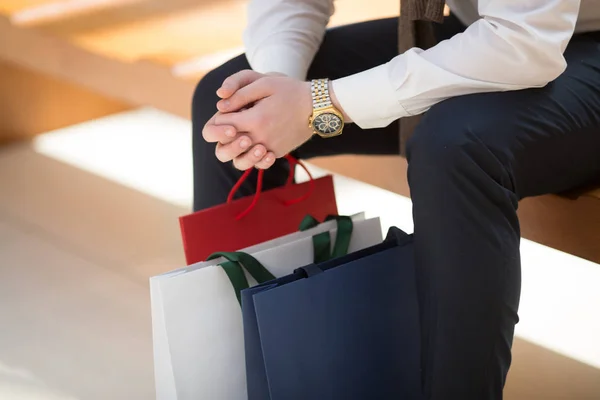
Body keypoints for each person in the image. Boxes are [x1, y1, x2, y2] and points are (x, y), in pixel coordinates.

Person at [192, 0, 600, 398]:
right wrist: (272, 94)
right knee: (230, 105)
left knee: (456, 149)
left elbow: (523, 42)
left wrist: (319, 103)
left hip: (555, 40)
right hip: (477, 26)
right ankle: (242, 382)